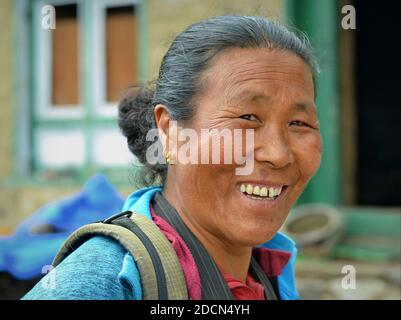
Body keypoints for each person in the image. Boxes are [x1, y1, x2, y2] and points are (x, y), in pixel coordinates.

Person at [23, 15, 322, 300]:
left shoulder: (271, 269)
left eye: (299, 123)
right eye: (247, 117)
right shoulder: (102, 281)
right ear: (170, 131)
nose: (278, 154)